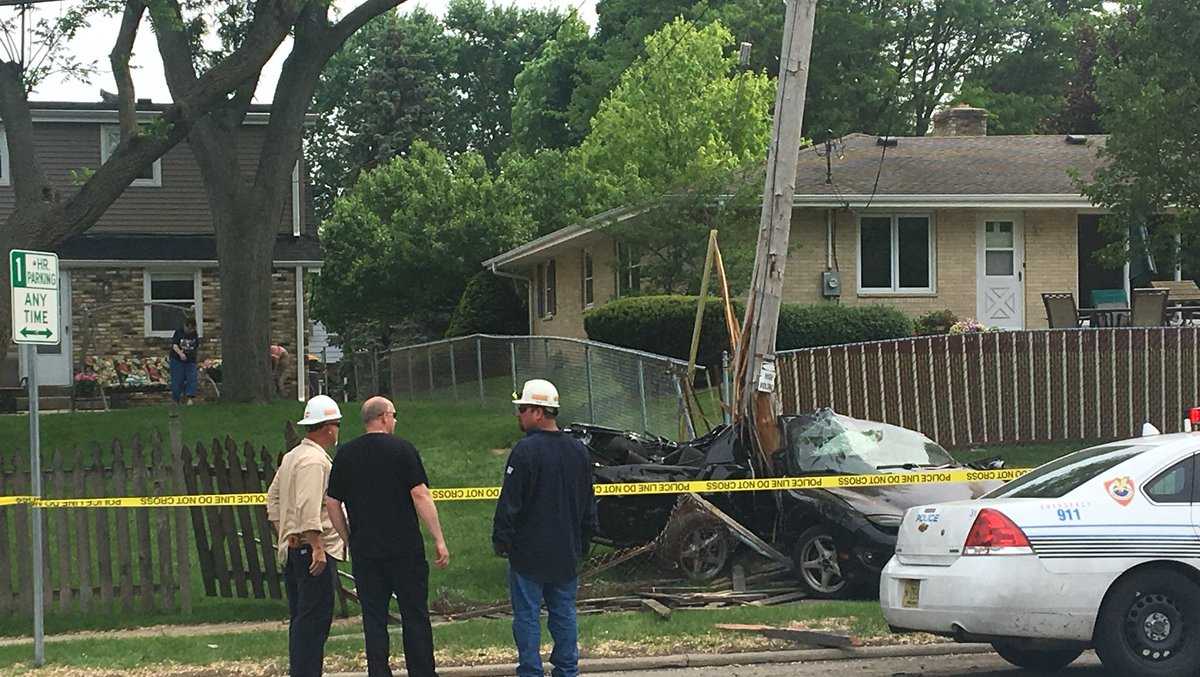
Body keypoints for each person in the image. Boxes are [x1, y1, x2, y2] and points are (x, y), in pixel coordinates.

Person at [326, 397, 449, 677]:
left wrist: (347, 537)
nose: (395, 421)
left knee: (374, 618)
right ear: (383, 417)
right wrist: (438, 538)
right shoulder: (403, 450)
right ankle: (422, 672)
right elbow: (419, 494)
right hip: (405, 548)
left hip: (366, 550)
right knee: (415, 615)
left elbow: (332, 503)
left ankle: (379, 672)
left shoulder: (346, 454)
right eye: (393, 415)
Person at [492, 379, 596, 677]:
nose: (519, 415)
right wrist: (585, 537)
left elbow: (510, 502)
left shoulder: (525, 452)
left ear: (538, 412)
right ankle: (567, 669)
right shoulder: (578, 451)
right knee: (564, 613)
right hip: (565, 550)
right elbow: (589, 500)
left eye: (522, 409)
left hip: (528, 552)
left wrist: (502, 539)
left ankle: (531, 671)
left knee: (526, 615)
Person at [266, 395, 347, 677]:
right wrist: (316, 546)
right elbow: (308, 505)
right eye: (336, 424)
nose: (337, 430)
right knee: (314, 621)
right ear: (327, 428)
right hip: (312, 553)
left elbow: (272, 500)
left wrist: (286, 534)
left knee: (301, 619)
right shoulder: (314, 461)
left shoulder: (292, 457)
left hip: (293, 550)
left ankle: (301, 671)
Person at [168, 317, 200, 405]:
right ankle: (176, 399)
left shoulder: (194, 334)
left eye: (192, 329)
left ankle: (190, 398)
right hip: (177, 360)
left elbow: (195, 346)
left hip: (190, 361)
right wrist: (180, 354)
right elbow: (174, 345)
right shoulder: (179, 332)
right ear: (185, 326)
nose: (189, 331)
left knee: (192, 379)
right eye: (188, 328)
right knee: (177, 380)